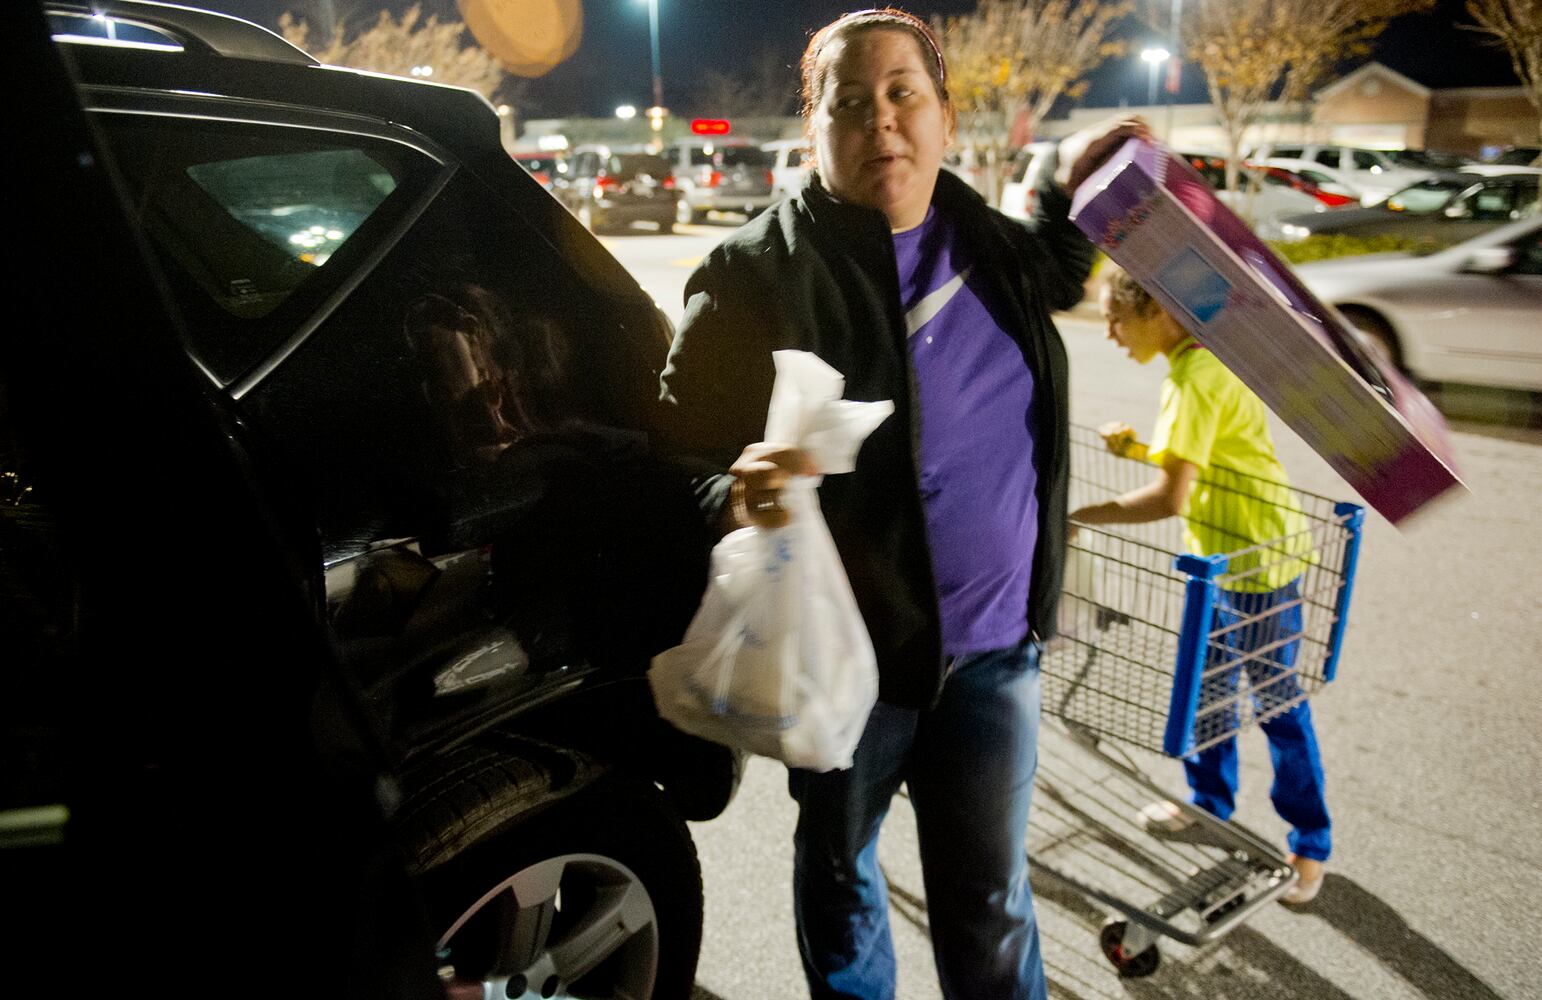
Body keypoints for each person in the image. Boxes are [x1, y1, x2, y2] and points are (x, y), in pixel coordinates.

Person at [656, 8, 1145, 998]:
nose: (878, 119)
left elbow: (1061, 262)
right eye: (848, 102)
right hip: (848, 662)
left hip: (996, 655)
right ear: (813, 129)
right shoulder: (754, 273)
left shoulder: (992, 247)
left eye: (900, 93)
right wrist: (726, 489)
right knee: (841, 875)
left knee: (990, 896)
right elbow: (674, 449)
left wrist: (1076, 175)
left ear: (943, 117)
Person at [1068, 265, 1332, 906]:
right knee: (1207, 690)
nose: (1109, 333)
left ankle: (1311, 844)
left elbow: (1169, 498)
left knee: (1276, 703)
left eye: (1115, 318)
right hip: (1222, 558)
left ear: (1157, 311)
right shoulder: (1206, 362)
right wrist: (1140, 452)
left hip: (1257, 563)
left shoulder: (1194, 378)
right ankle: (1208, 803)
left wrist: (1076, 516)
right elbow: (1208, 456)